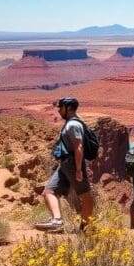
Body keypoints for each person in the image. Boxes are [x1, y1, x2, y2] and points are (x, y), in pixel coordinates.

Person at [35, 97, 94, 233]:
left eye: (61, 108)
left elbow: (78, 147)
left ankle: (87, 226)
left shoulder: (73, 125)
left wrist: (79, 169)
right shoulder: (72, 122)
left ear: (68, 108)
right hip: (65, 164)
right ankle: (57, 221)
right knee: (49, 191)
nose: (59, 111)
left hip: (73, 163)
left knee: (85, 194)